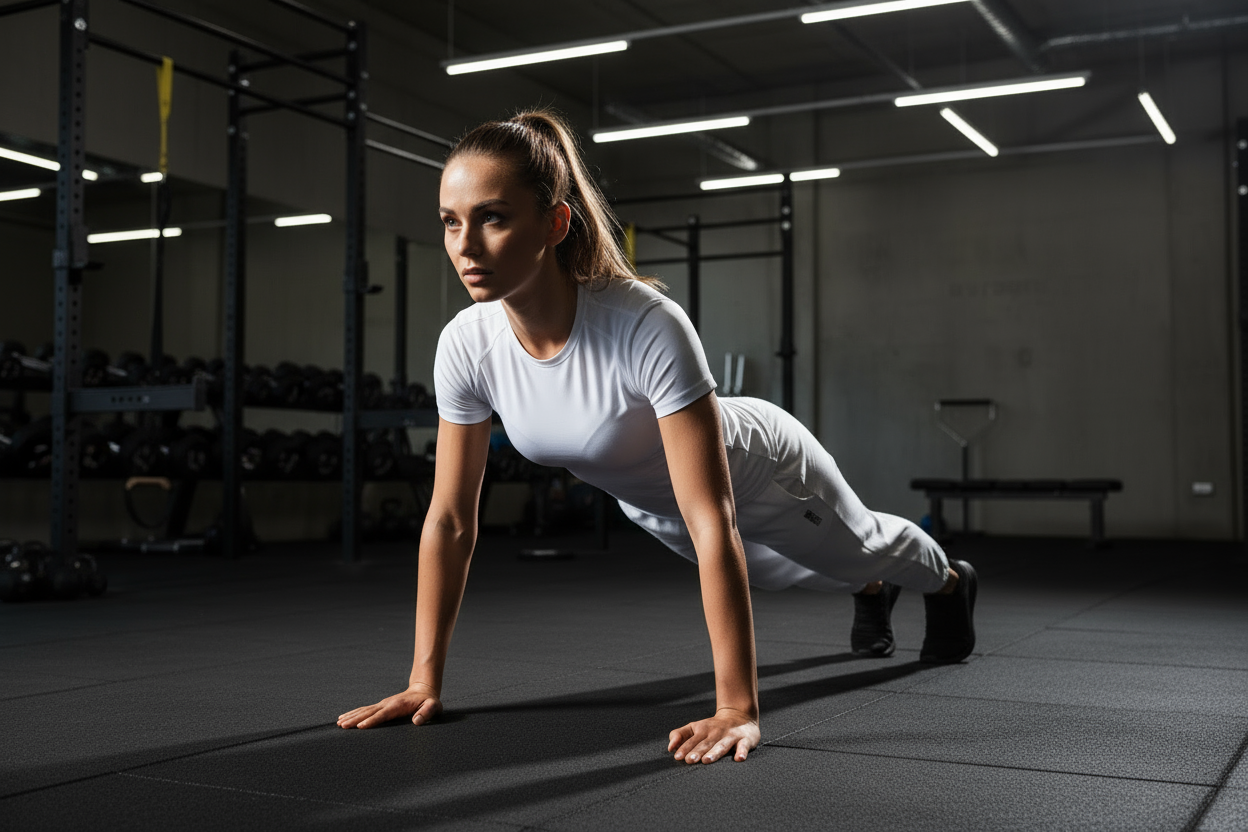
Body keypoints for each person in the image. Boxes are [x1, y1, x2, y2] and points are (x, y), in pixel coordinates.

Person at [336, 109, 977, 765]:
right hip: (653, 506)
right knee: (790, 579)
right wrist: (424, 680)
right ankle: (869, 593)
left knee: (861, 548)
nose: (465, 245)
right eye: (451, 220)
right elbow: (448, 521)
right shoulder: (467, 345)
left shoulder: (643, 324)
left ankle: (951, 583)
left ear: (555, 223)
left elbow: (713, 515)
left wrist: (737, 708)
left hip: (761, 472)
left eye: (493, 217)